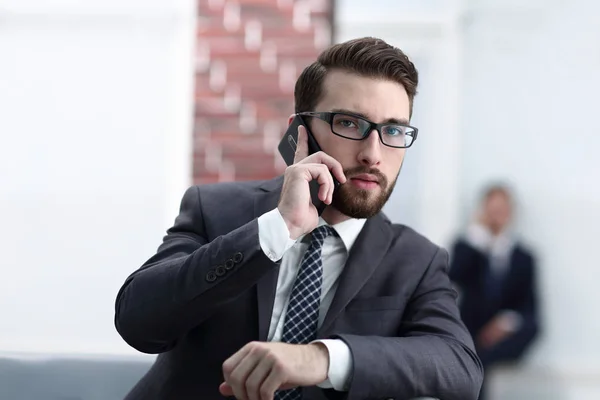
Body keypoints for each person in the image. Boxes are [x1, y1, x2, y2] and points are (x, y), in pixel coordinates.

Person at [114, 37, 483, 400]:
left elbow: (460, 368)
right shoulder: (215, 209)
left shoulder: (416, 259)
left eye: (393, 130)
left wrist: (321, 357)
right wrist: (279, 229)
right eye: (350, 124)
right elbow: (138, 323)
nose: (374, 154)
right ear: (299, 131)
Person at [449, 184, 540, 400]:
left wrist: (505, 323)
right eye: (492, 210)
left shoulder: (524, 256)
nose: (497, 216)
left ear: (511, 213)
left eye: (502, 210)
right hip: (473, 325)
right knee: (470, 344)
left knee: (530, 326)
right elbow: (454, 276)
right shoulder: (468, 244)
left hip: (504, 331)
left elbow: (529, 304)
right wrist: (478, 238)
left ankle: (478, 363)